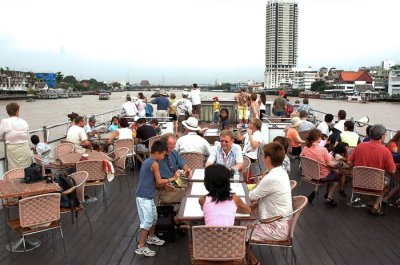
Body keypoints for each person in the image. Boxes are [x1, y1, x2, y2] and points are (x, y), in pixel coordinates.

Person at [247, 143, 293, 265]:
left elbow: (251, 197)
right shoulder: (281, 172)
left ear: (268, 158)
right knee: (240, 223)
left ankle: (253, 261)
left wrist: (261, 180)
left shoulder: (271, 177)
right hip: (281, 221)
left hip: (276, 227)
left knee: (237, 231)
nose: (262, 158)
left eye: (263, 155)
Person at [135, 140, 179, 257]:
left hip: (147, 196)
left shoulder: (148, 161)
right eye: (164, 155)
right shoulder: (154, 164)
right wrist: (173, 178)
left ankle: (151, 237)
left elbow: (154, 182)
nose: (164, 156)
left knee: (154, 217)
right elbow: (159, 181)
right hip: (144, 197)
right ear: (158, 153)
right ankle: (141, 246)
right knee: (147, 221)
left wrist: (165, 185)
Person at [348, 124, 396, 215]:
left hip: (359, 181)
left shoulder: (360, 146)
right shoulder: (385, 151)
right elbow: (392, 170)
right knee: (386, 184)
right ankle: (375, 205)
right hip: (375, 183)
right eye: (385, 135)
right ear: (382, 136)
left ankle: (370, 201)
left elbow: (349, 162)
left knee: (369, 180)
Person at [301, 129, 340, 206]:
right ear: (318, 137)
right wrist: (337, 163)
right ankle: (329, 198)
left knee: (327, 175)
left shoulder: (305, 148)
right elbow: (329, 164)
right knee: (336, 176)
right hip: (321, 175)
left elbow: (301, 156)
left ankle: (315, 192)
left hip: (309, 173)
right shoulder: (323, 150)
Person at [0, 102, 32, 170]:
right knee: (26, 168)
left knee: (14, 169)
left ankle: (14, 179)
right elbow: (28, 137)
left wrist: (7, 137)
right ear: (17, 111)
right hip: (25, 147)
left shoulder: (5, 122)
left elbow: (0, 136)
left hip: (12, 149)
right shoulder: (24, 121)